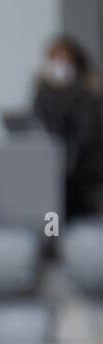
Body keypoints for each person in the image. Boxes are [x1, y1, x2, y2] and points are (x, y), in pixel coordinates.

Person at [31, 35, 103, 218]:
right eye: (55, 59)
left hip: (82, 168)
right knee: (47, 206)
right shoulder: (43, 92)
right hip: (49, 163)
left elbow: (88, 133)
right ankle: (51, 236)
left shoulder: (87, 93)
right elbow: (38, 124)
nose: (59, 64)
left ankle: (65, 239)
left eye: (64, 59)